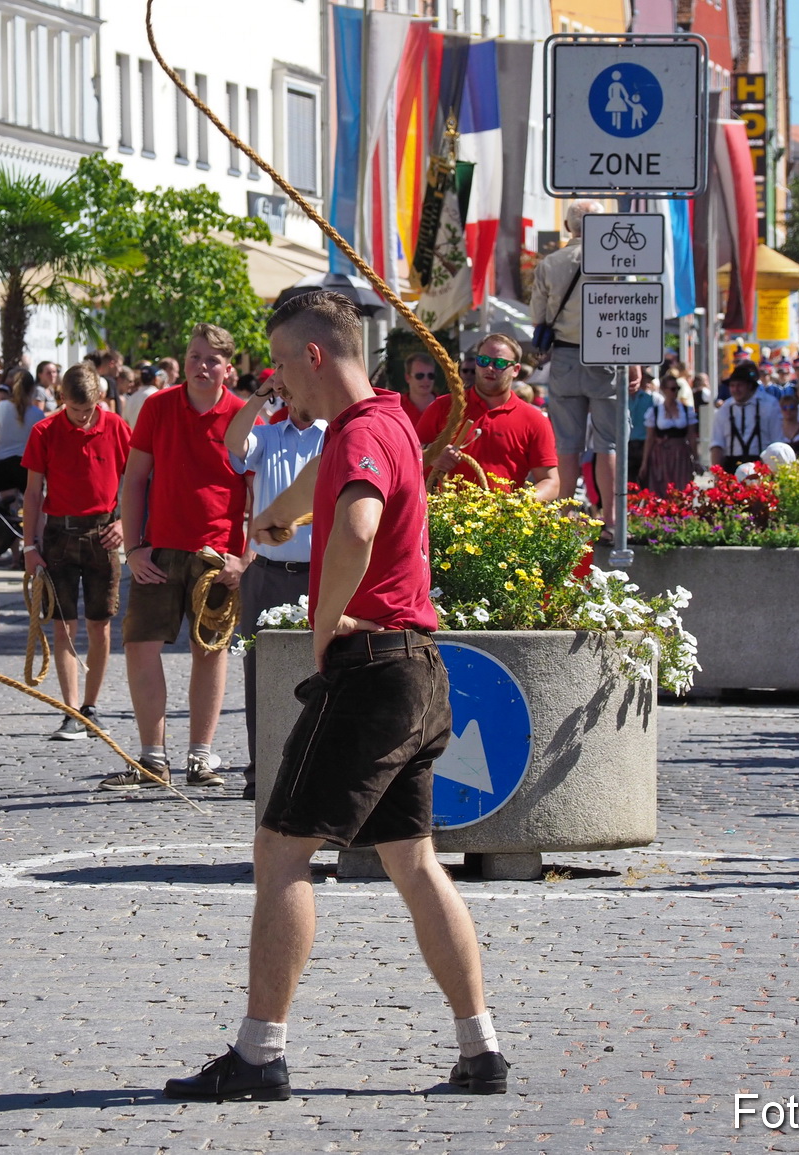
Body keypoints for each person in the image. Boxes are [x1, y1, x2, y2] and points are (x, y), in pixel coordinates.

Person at [164, 289, 506, 1103]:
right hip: (421, 669)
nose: (277, 384)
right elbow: (337, 474)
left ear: (316, 354)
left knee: (283, 849)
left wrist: (324, 624)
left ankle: (259, 1054)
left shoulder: (358, 430)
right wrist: (278, 518)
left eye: (281, 365)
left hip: (370, 667)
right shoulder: (386, 418)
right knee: (413, 861)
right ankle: (480, 1047)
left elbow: (355, 524)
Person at [104, 324, 248, 791]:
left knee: (210, 651)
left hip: (217, 555)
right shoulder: (158, 407)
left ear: (228, 366)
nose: (201, 367)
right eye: (193, 357)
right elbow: (135, 479)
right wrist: (134, 546)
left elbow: (259, 493)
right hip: (158, 552)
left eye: (211, 359)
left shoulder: (244, 416)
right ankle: (152, 757)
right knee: (139, 645)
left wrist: (242, 557)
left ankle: (201, 758)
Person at [224, 373, 325, 799]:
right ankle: (261, 771)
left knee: (322, 673)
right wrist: (260, 396)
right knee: (259, 675)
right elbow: (233, 444)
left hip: (319, 572)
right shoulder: (267, 435)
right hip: (267, 572)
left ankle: (314, 770)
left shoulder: (333, 436)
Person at [19, 364, 132, 740]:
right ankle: (71, 710)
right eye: (76, 410)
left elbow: (136, 480)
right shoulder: (45, 431)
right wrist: (29, 547)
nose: (83, 419)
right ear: (62, 399)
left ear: (99, 400)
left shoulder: (115, 427)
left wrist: (125, 525)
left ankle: (91, 705)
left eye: (89, 411)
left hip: (104, 534)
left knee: (100, 625)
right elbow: (33, 492)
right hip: (59, 535)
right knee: (63, 626)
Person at [533, 200, 619, 532]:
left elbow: (538, 319)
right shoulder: (615, 260)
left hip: (566, 357)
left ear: (569, 228)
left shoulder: (550, 263)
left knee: (567, 443)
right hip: (607, 354)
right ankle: (610, 518)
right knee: (607, 442)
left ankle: (566, 515)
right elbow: (631, 313)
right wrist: (635, 364)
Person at [419, 334, 558, 502]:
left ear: (516, 370)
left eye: (499, 363)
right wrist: (431, 454)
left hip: (501, 521)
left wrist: (519, 505)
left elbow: (550, 481)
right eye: (483, 361)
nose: (489, 368)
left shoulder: (535, 420)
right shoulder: (443, 407)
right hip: (444, 517)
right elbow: (407, 455)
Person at [0, 368, 43, 500]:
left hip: (3, 465)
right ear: (32, 389)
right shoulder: (38, 414)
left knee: (8, 508)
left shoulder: (0, 407)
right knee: (33, 505)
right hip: (28, 467)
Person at [709, 361, 778, 473]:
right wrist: (718, 475)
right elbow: (717, 444)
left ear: (749, 385)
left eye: (739, 385)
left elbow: (777, 442)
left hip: (760, 465)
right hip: (732, 465)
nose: (735, 390)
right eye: (732, 386)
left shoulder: (769, 405)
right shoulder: (725, 409)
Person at [641, 372, 697, 493]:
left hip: (681, 453)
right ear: (664, 390)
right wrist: (645, 463)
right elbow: (650, 438)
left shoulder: (686, 411)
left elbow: (692, 436)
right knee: (661, 486)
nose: (675, 392)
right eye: (672, 389)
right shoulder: (655, 412)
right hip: (661, 454)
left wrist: (695, 458)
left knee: (681, 486)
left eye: (677, 389)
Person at [399, 352, 440, 427]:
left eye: (430, 375)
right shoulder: (397, 407)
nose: (426, 380)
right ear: (407, 378)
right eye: (420, 376)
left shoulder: (445, 406)